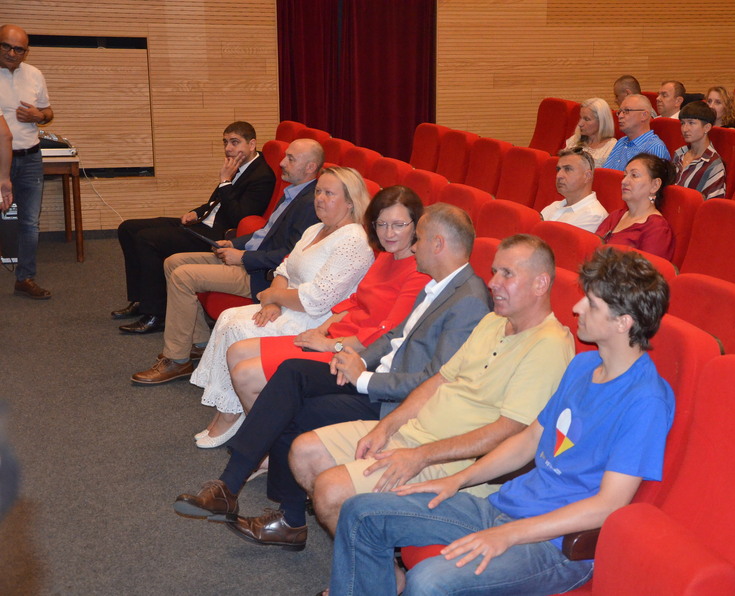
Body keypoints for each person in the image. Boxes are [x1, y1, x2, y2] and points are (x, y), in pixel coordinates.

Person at [327, 247, 674, 596]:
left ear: (623, 322)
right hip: (508, 505)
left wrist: (507, 535)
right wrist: (457, 479)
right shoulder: (583, 367)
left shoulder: (646, 401)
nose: (577, 308)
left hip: (556, 546)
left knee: (429, 582)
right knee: (361, 513)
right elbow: (528, 440)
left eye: (592, 305)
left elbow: (609, 505)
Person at [172, 203, 493, 550]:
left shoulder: (469, 301)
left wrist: (363, 379)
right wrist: (352, 359)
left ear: (439, 244)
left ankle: (286, 519)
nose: (413, 246)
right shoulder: (439, 285)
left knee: (294, 410)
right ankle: (230, 486)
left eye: (419, 239)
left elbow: (434, 382)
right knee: (291, 373)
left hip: (394, 403)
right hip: (373, 374)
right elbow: (394, 336)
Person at [290, 234, 575, 540]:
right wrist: (385, 428)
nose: (492, 283)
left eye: (507, 274)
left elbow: (510, 430)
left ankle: (374, 573)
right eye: (494, 271)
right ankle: (377, 559)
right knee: (304, 452)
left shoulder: (549, 345)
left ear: (540, 284)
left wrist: (422, 455)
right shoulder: (492, 321)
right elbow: (439, 380)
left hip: (453, 461)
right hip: (415, 435)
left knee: (331, 490)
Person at [193, 186, 430, 446]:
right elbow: (353, 302)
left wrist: (329, 343)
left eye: (398, 225)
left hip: (354, 353)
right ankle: (268, 439)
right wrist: (322, 330)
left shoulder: (418, 271)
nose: (388, 233)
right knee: (236, 351)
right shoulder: (387, 256)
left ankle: (270, 446)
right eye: (382, 224)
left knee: (245, 373)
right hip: (335, 336)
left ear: (416, 225)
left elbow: (385, 334)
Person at [129, 138, 324, 387]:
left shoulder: (310, 204)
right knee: (172, 262)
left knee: (183, 276)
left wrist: (244, 257)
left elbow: (292, 256)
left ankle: (176, 360)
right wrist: (235, 244)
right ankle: (200, 344)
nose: (282, 163)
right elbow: (264, 233)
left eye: (291, 159)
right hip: (248, 258)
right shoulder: (292, 192)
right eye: (285, 156)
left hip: (262, 274)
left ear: (310, 167)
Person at [115, 121, 275, 333]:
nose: (228, 148)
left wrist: (225, 181)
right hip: (203, 222)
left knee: (147, 239)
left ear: (252, 143)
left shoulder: (262, 175)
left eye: (235, 142)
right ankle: (140, 298)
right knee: (127, 228)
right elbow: (216, 203)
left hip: (216, 234)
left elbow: (239, 217)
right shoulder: (237, 164)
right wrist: (197, 212)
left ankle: (156, 312)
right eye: (226, 142)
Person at [0, 25, 54, 299]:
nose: (11, 53)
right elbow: (3, 135)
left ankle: (25, 278)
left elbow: (48, 112)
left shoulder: (34, 75)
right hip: (0, 160)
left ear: (25, 51)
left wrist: (39, 115)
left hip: (31, 157)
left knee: (29, 222)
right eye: (6, 46)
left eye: (18, 48)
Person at [596, 153, 675, 261]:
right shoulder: (615, 216)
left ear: (655, 185)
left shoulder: (656, 228)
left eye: (634, 175)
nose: (624, 181)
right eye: (625, 175)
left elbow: (648, 274)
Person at [540, 149, 607, 233]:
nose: (558, 175)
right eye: (558, 169)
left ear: (587, 176)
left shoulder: (593, 215)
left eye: (567, 169)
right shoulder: (553, 206)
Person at [673, 101, 726, 201]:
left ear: (707, 127)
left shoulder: (713, 163)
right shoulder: (679, 154)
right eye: (683, 123)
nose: (685, 129)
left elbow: (713, 204)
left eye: (691, 123)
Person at [603, 95, 670, 171]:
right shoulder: (621, 142)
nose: (620, 116)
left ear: (643, 115)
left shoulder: (655, 148)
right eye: (620, 112)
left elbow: (654, 182)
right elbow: (605, 173)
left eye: (626, 111)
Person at [563, 98, 617, 166]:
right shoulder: (575, 139)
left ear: (601, 122)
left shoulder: (612, 147)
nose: (580, 124)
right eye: (580, 118)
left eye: (587, 119)